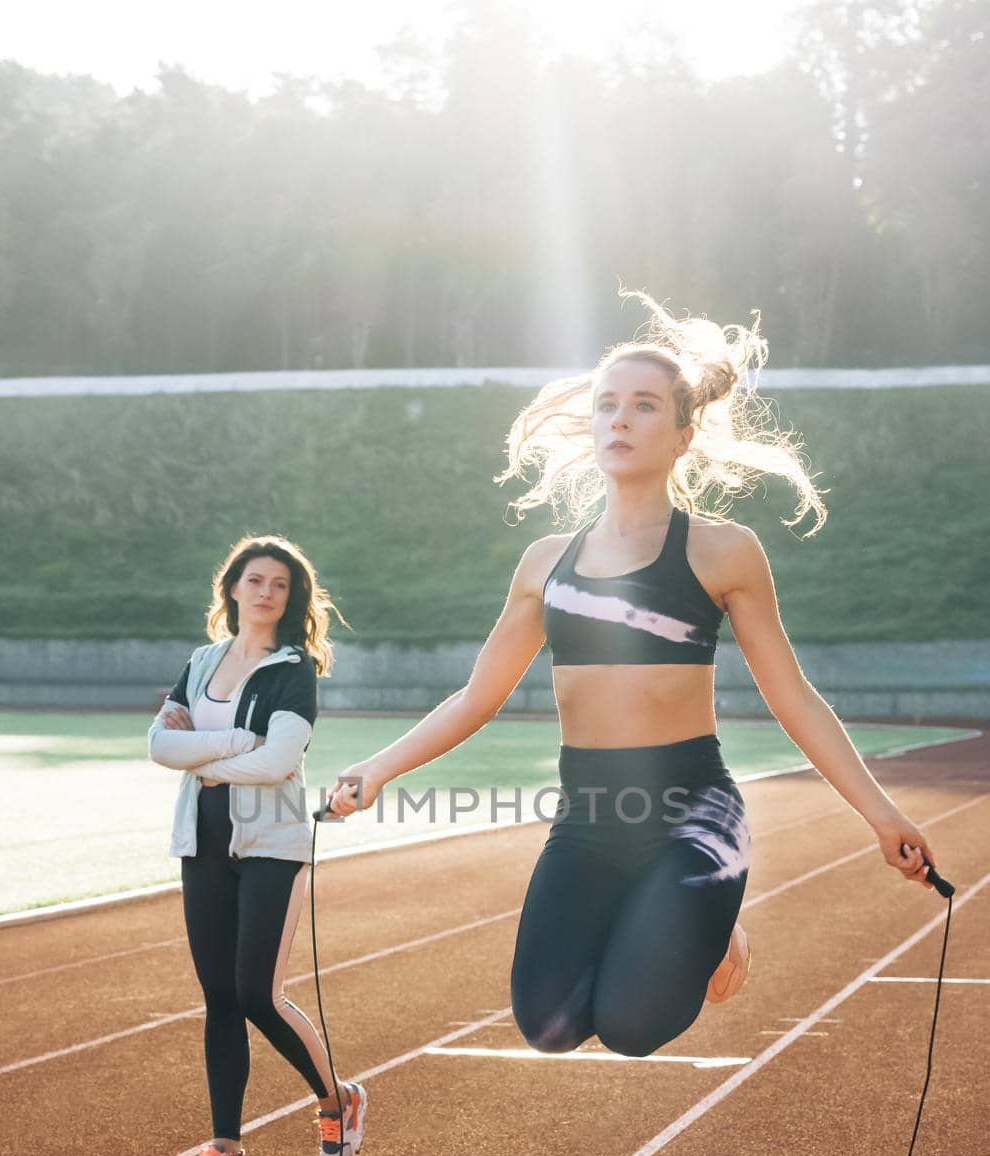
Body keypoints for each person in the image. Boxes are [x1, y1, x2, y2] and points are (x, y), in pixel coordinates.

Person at [323, 291, 939, 1064]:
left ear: (684, 433)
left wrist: (881, 818)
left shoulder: (722, 552)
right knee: (547, 1027)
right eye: (606, 404)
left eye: (644, 406)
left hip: (694, 813)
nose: (618, 419)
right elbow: (478, 696)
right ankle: (686, 921)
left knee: (632, 1029)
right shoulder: (544, 563)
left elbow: (794, 699)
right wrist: (377, 769)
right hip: (589, 816)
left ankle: (699, 916)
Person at [148, 533, 367, 1156]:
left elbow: (279, 763)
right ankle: (226, 1151)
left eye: (279, 584)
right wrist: (239, 742)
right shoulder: (200, 661)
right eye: (254, 580)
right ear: (233, 588)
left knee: (255, 994)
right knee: (218, 998)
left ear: (291, 596)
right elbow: (160, 746)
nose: (265, 592)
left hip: (271, 843)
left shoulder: (292, 669)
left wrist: (207, 755)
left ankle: (337, 1101)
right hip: (203, 840)